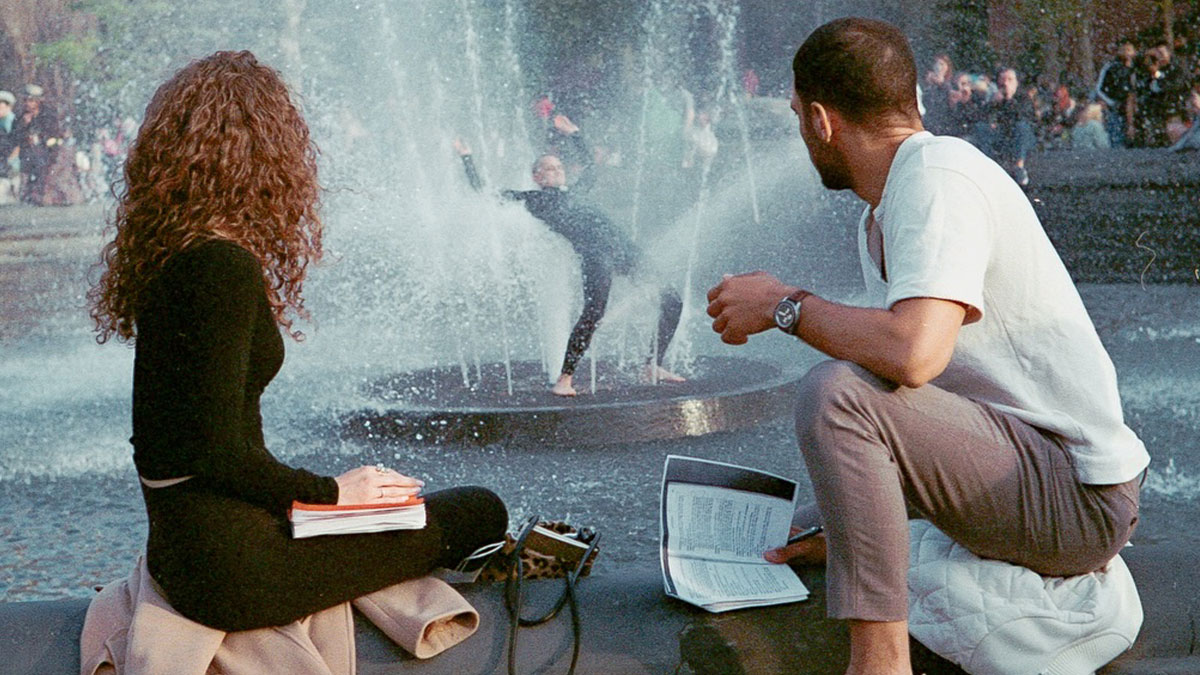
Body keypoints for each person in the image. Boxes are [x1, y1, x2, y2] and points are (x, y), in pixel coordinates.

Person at [705, 17, 1147, 675]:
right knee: (833, 433)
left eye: (799, 116)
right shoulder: (888, 208)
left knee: (837, 394)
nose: (801, 133)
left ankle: (880, 662)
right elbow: (922, 397)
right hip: (1024, 475)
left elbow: (915, 354)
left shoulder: (939, 178)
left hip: (1077, 500)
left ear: (821, 121)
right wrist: (846, 527)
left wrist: (782, 306)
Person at [87, 51, 507, 632]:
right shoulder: (220, 267)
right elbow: (214, 451)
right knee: (479, 509)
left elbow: (171, 444)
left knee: (410, 511)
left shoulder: (174, 262)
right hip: (234, 571)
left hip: (195, 553)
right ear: (264, 154)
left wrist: (308, 504)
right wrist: (332, 493)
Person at [455, 114, 684, 397]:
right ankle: (564, 379)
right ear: (537, 177)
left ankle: (652, 365)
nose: (558, 171)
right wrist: (467, 157)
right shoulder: (534, 200)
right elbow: (485, 193)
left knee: (672, 300)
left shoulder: (578, 190)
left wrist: (574, 133)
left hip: (624, 249)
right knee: (593, 314)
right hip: (595, 255)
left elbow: (591, 165)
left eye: (559, 166)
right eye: (550, 168)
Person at [1092, 42, 1138, 147]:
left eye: (1129, 50)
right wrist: (1112, 103)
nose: (1127, 53)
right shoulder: (1111, 67)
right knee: (1117, 140)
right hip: (1116, 111)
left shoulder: (1136, 69)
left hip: (1133, 111)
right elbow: (1099, 89)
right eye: (1124, 50)